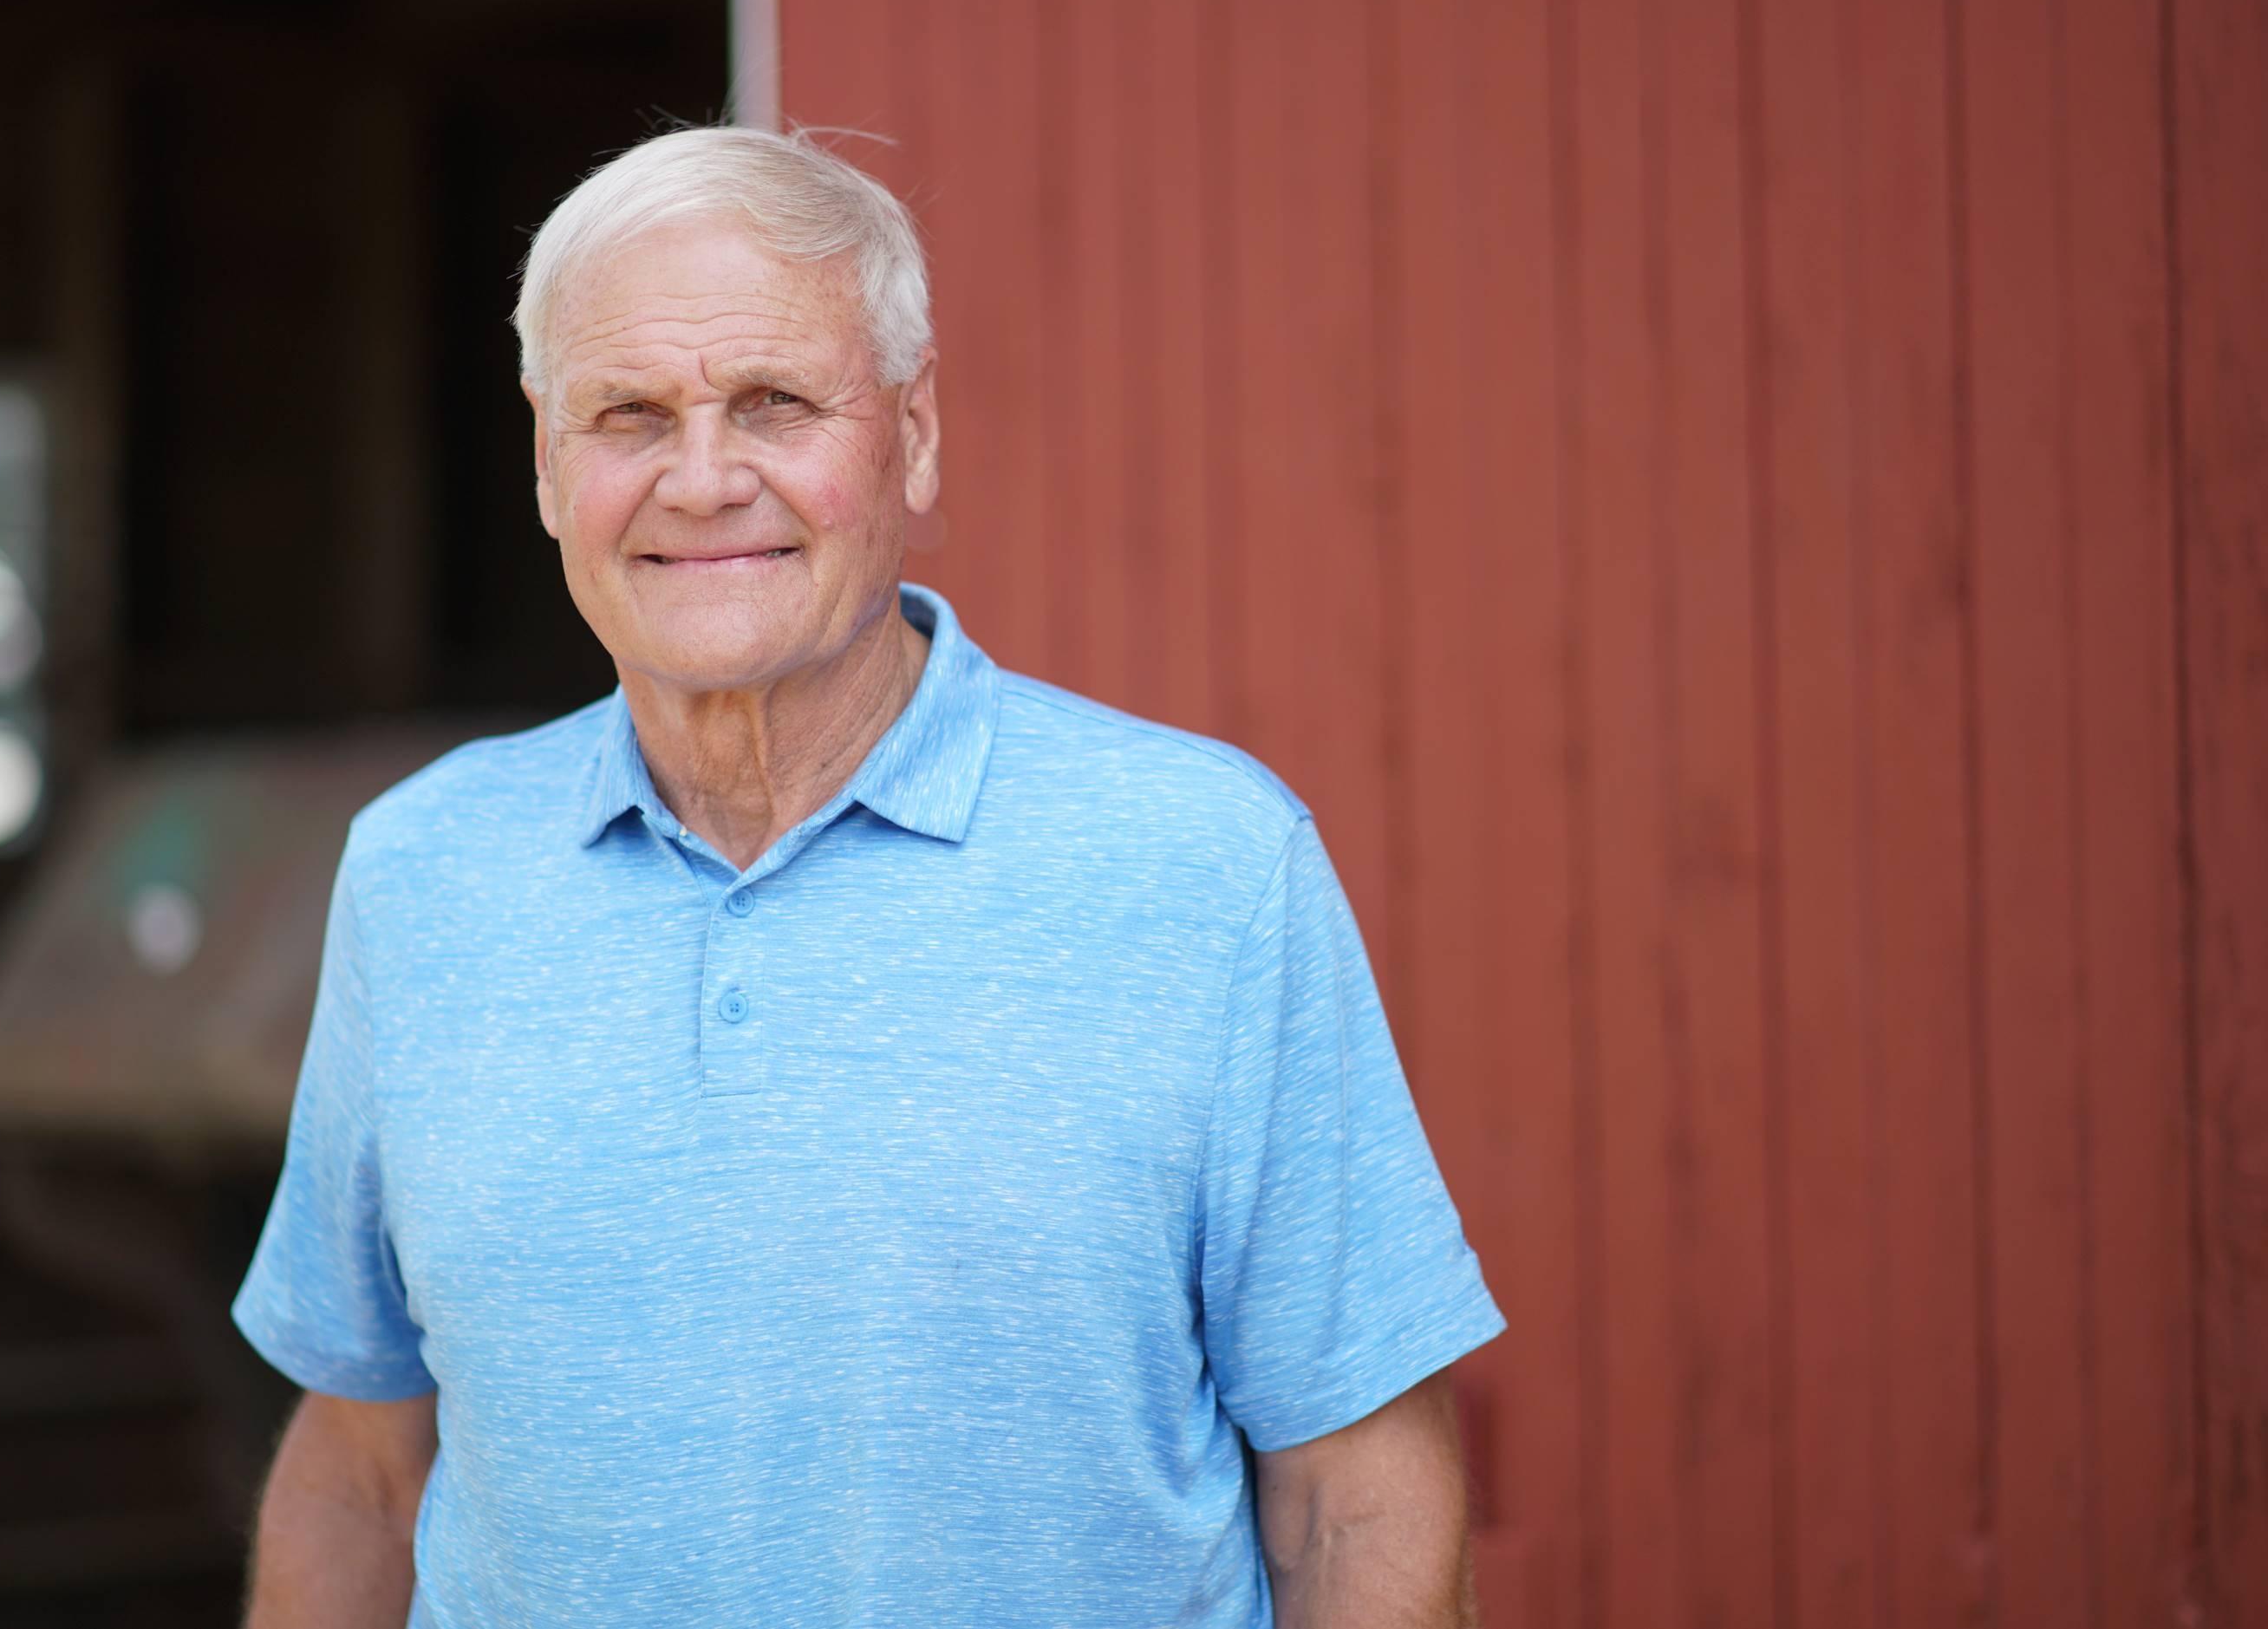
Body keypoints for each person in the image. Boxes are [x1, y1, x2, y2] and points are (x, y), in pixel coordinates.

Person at [232, 125, 1503, 1627]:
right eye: (629, 414)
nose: (702, 481)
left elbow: (1354, 1490)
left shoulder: (1205, 865)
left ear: (913, 433)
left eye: (773, 403)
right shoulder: (421, 871)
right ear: (543, 460)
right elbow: (362, 1463)